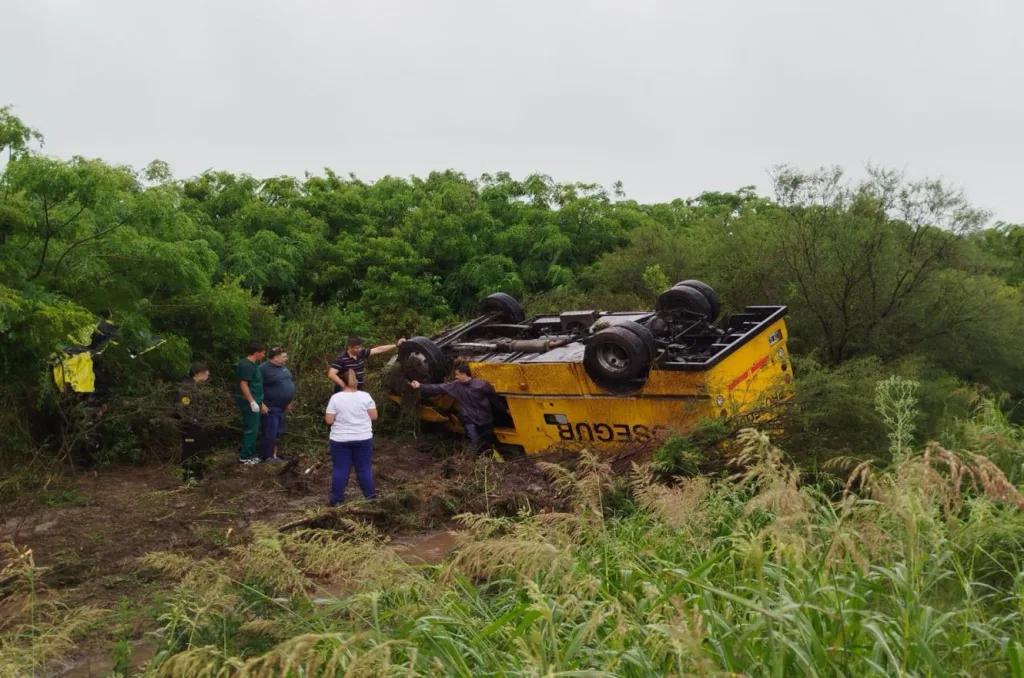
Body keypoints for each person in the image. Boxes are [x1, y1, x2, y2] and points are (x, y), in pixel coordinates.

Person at [410, 363, 500, 452]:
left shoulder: (481, 384)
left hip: (486, 419)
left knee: (487, 443)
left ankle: (487, 458)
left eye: (458, 374)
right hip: (470, 419)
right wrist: (420, 386)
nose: (456, 377)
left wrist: (504, 409)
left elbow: (493, 397)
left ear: (464, 374)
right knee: (474, 443)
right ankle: (470, 461)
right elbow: (438, 388)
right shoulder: (455, 386)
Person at [325, 369, 378, 507]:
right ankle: (371, 497)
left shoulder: (336, 398)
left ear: (343, 380)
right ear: (358, 380)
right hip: (362, 437)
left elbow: (329, 420)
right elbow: (374, 416)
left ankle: (336, 500)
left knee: (341, 469)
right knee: (364, 468)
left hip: (340, 439)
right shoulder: (366, 397)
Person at [327, 336, 406, 392]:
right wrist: (344, 386)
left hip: (357, 389)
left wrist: (396, 345)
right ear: (349, 347)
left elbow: (378, 349)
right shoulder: (341, 358)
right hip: (344, 391)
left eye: (360, 347)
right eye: (357, 348)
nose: (359, 349)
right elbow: (331, 374)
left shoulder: (361, 353)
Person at [234, 342, 267, 465]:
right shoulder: (245, 365)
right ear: (257, 352)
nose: (264, 355)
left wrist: (260, 402)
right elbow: (243, 384)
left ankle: (251, 454)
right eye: (263, 352)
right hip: (249, 402)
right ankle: (245, 456)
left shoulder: (254, 365)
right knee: (251, 429)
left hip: (257, 401)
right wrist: (252, 401)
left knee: (255, 429)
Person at [259, 347, 294, 464]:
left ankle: (274, 455)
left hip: (282, 406)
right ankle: (267, 456)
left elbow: (287, 383)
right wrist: (261, 404)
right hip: (270, 405)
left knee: (279, 431)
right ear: (275, 357)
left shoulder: (283, 368)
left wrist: (288, 401)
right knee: (270, 431)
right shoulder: (263, 369)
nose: (286, 358)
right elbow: (254, 387)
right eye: (284, 356)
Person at [178, 362, 211, 481]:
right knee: (189, 450)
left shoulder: (195, 386)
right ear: (198, 374)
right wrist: (194, 421)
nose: (208, 376)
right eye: (206, 374)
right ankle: (188, 475)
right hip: (190, 427)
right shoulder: (186, 387)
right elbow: (183, 409)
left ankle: (198, 473)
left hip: (199, 425)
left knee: (199, 449)